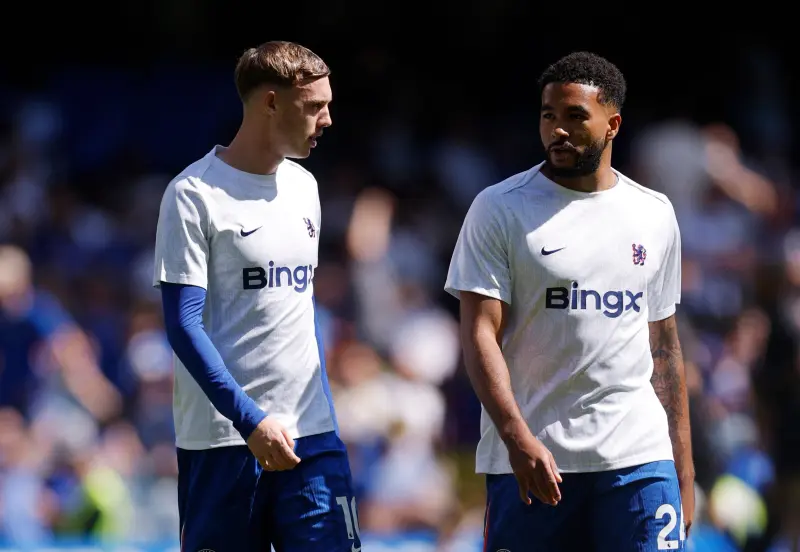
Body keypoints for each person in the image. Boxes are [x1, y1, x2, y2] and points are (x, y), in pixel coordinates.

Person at [444, 51, 695, 551]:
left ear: (612, 124)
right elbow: (478, 333)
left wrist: (682, 467)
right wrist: (516, 437)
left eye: (575, 116)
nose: (557, 129)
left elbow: (663, 347)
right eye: (548, 115)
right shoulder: (499, 208)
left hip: (639, 458)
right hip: (535, 460)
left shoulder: (654, 213)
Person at [153, 41, 362, 551]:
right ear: (271, 102)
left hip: (311, 435)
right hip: (224, 441)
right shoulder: (193, 195)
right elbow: (183, 325)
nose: (328, 119)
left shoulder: (305, 187)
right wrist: (250, 420)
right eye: (315, 106)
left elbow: (295, 314)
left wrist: (323, 419)